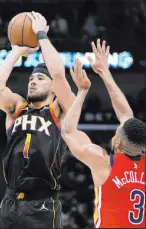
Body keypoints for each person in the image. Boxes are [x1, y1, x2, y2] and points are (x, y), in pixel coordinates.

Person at [0, 12, 76, 228]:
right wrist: (16, 51)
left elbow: (58, 74)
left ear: (53, 88)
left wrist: (41, 35)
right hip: (10, 201)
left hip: (43, 204)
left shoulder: (60, 110)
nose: (33, 82)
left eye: (40, 78)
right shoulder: (17, 107)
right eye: (31, 78)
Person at [61, 39, 145, 228]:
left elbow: (68, 131)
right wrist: (105, 73)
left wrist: (82, 91)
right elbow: (126, 115)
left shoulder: (104, 162)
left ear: (117, 144)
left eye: (115, 133)